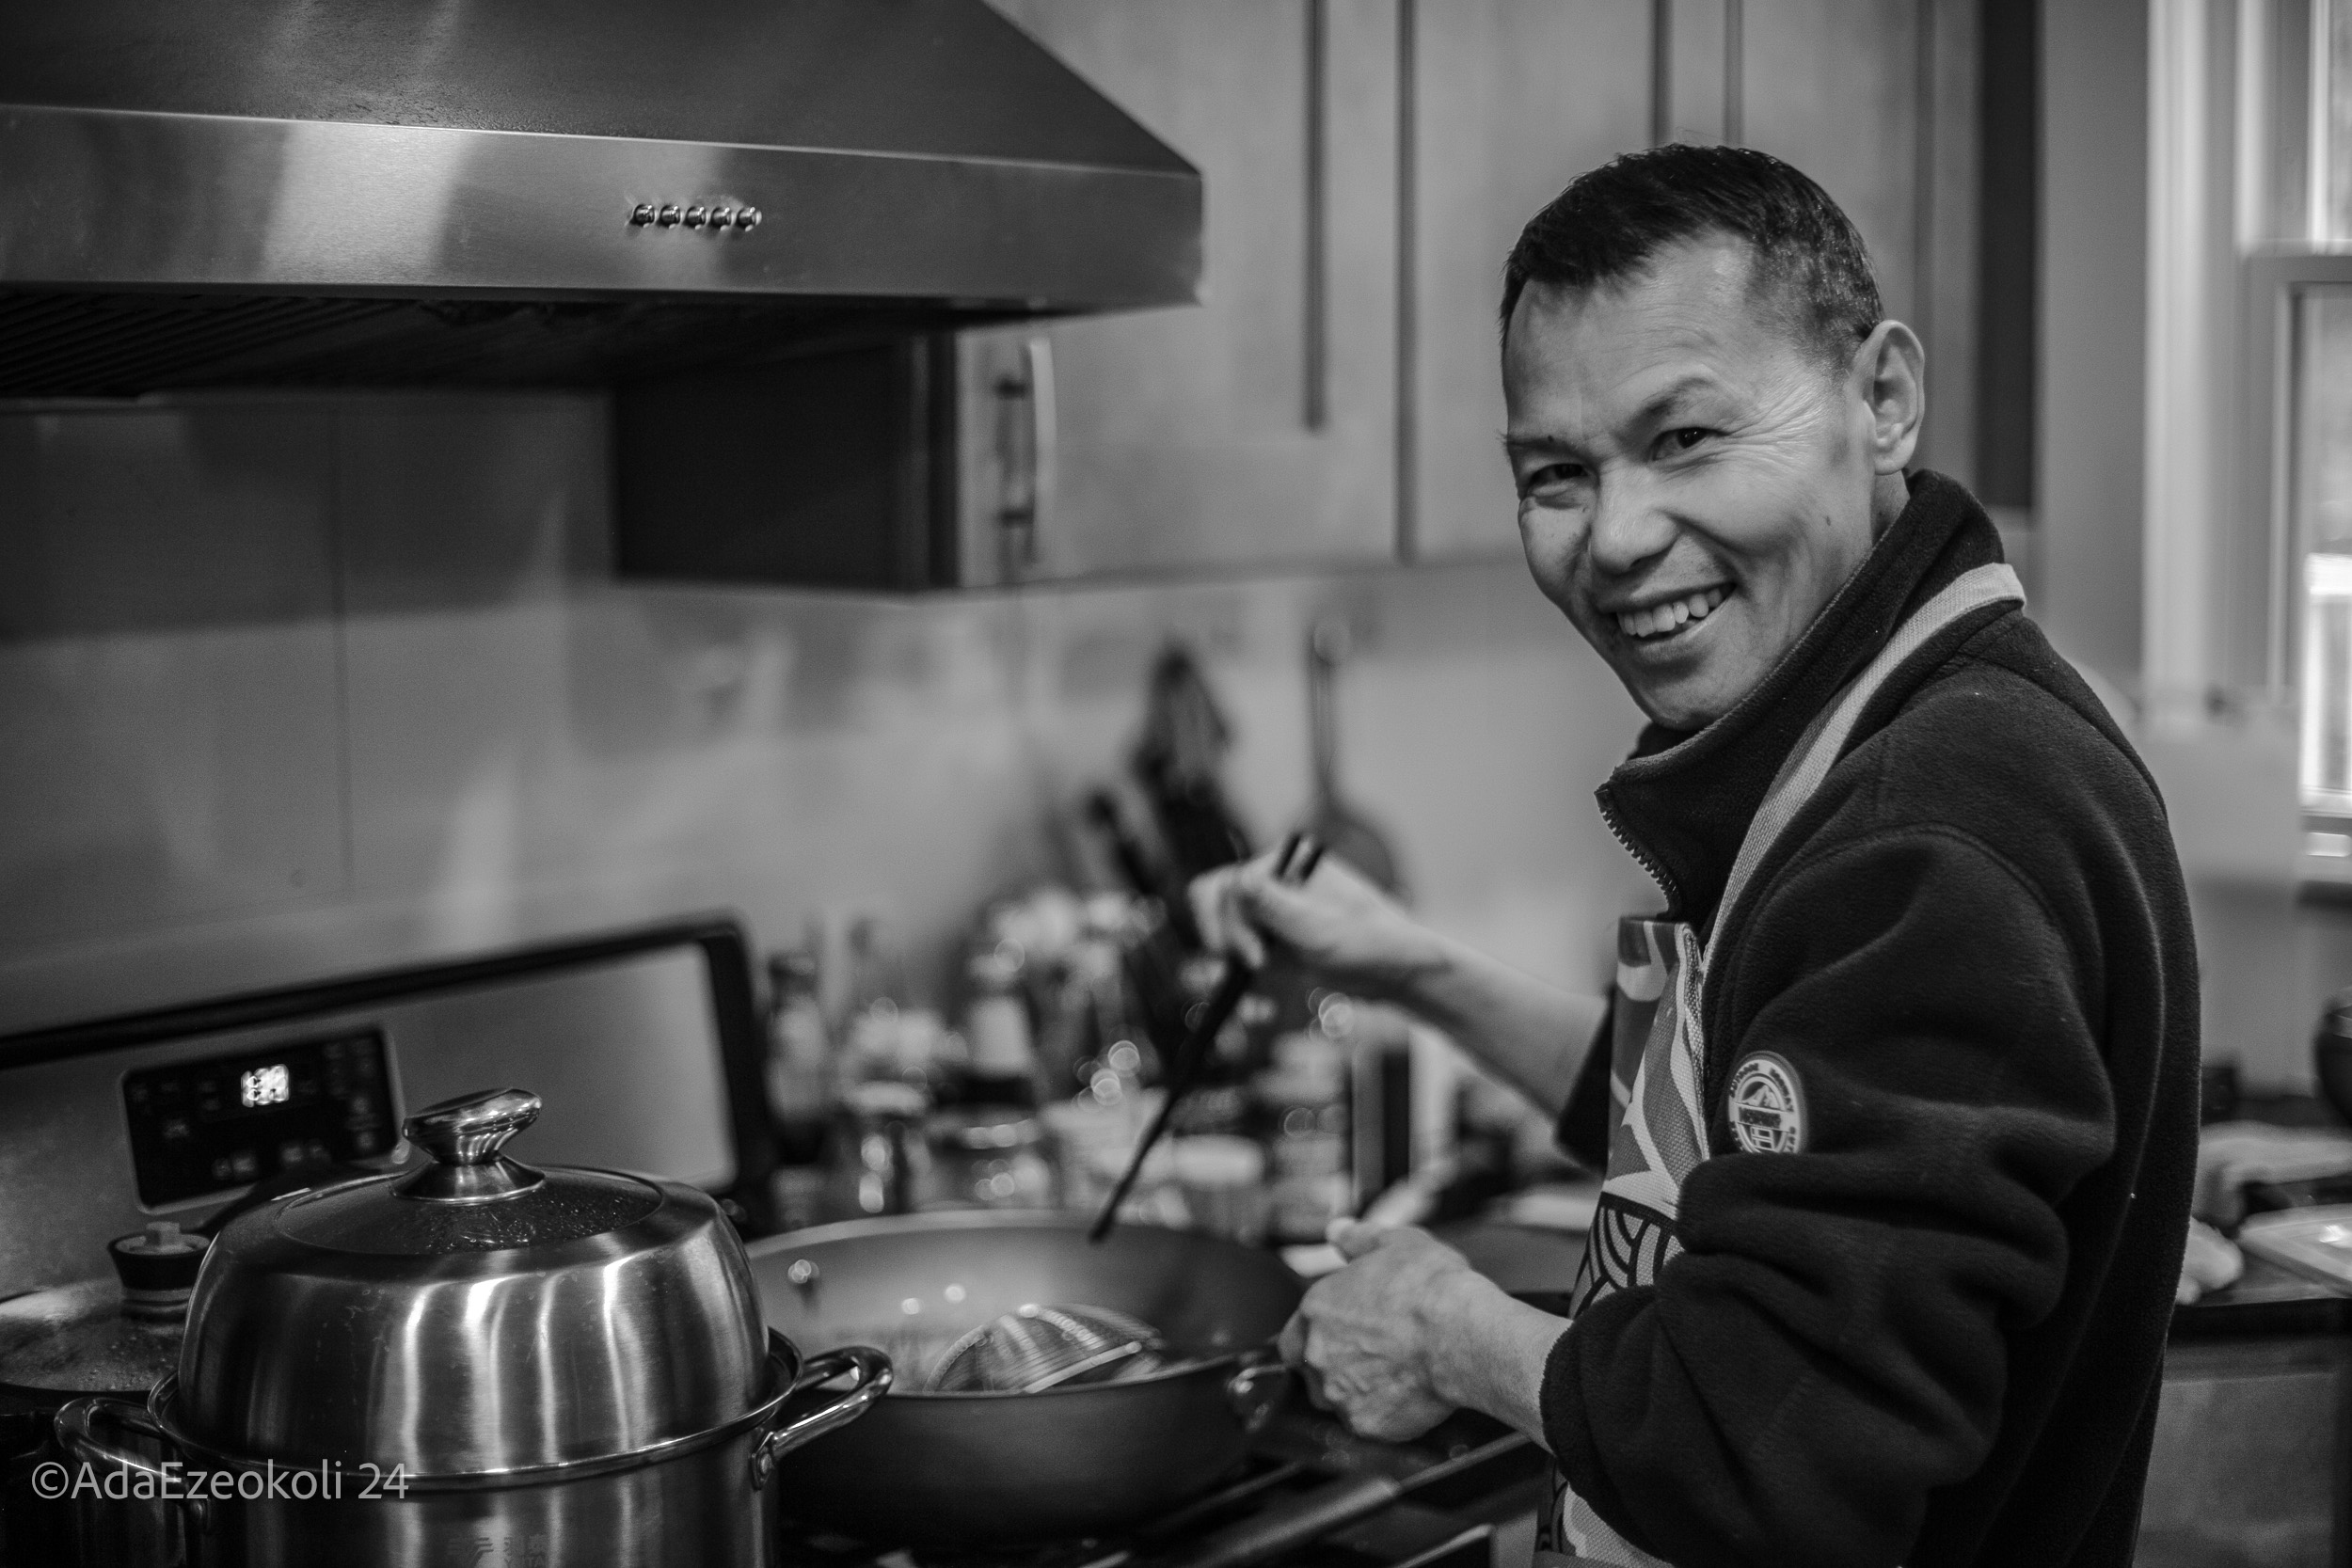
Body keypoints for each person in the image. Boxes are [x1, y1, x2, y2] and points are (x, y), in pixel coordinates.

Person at [1191, 145, 2199, 1568]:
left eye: (1687, 440)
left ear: (1884, 398)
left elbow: (1772, 1452)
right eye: (1556, 473)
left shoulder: (1931, 825)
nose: (1615, 538)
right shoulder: (1894, 721)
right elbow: (1739, 1118)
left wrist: (1451, 1333)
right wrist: (1413, 968)